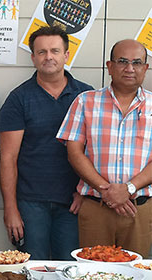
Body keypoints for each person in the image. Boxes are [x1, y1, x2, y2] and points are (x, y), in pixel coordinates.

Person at [0, 26, 93, 260]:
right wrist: (10, 209)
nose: (48, 57)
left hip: (74, 201)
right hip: (31, 203)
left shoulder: (87, 96)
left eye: (54, 51)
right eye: (41, 52)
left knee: (71, 268)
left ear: (66, 55)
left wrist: (85, 192)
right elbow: (8, 158)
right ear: (33, 57)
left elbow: (95, 152)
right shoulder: (18, 99)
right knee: (32, 268)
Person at [57, 39, 152, 258]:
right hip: (96, 207)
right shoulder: (85, 102)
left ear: (145, 68)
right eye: (122, 61)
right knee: (93, 270)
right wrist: (106, 191)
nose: (129, 68)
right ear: (109, 66)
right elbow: (74, 152)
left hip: (138, 208)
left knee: (135, 272)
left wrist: (128, 189)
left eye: (137, 62)